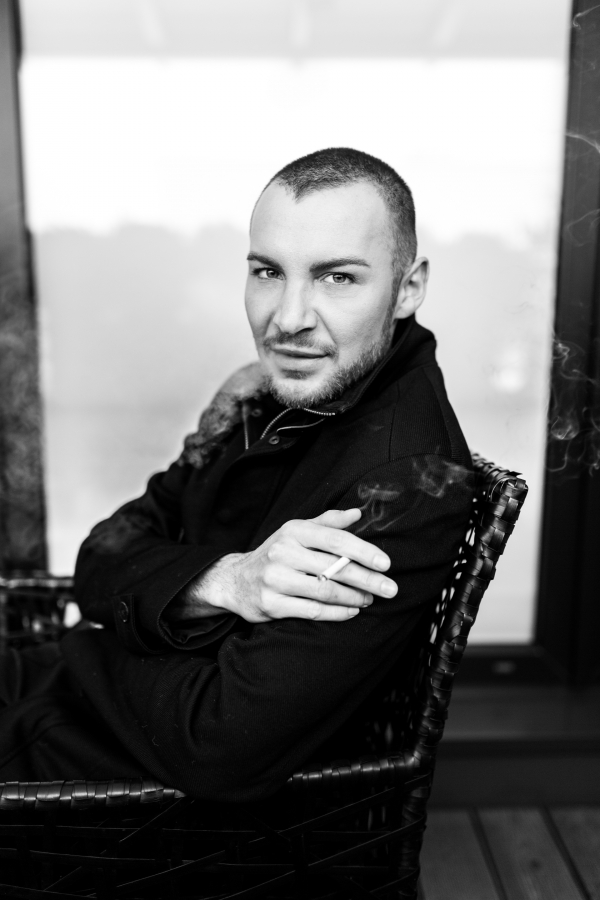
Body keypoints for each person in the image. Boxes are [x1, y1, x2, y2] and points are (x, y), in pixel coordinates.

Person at [0, 148, 472, 801]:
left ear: (409, 288)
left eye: (338, 277)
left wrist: (103, 635)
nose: (289, 318)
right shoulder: (259, 390)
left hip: (103, 786)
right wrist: (222, 580)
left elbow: (216, 743)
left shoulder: (405, 483)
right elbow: (101, 554)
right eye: (268, 272)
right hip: (67, 687)